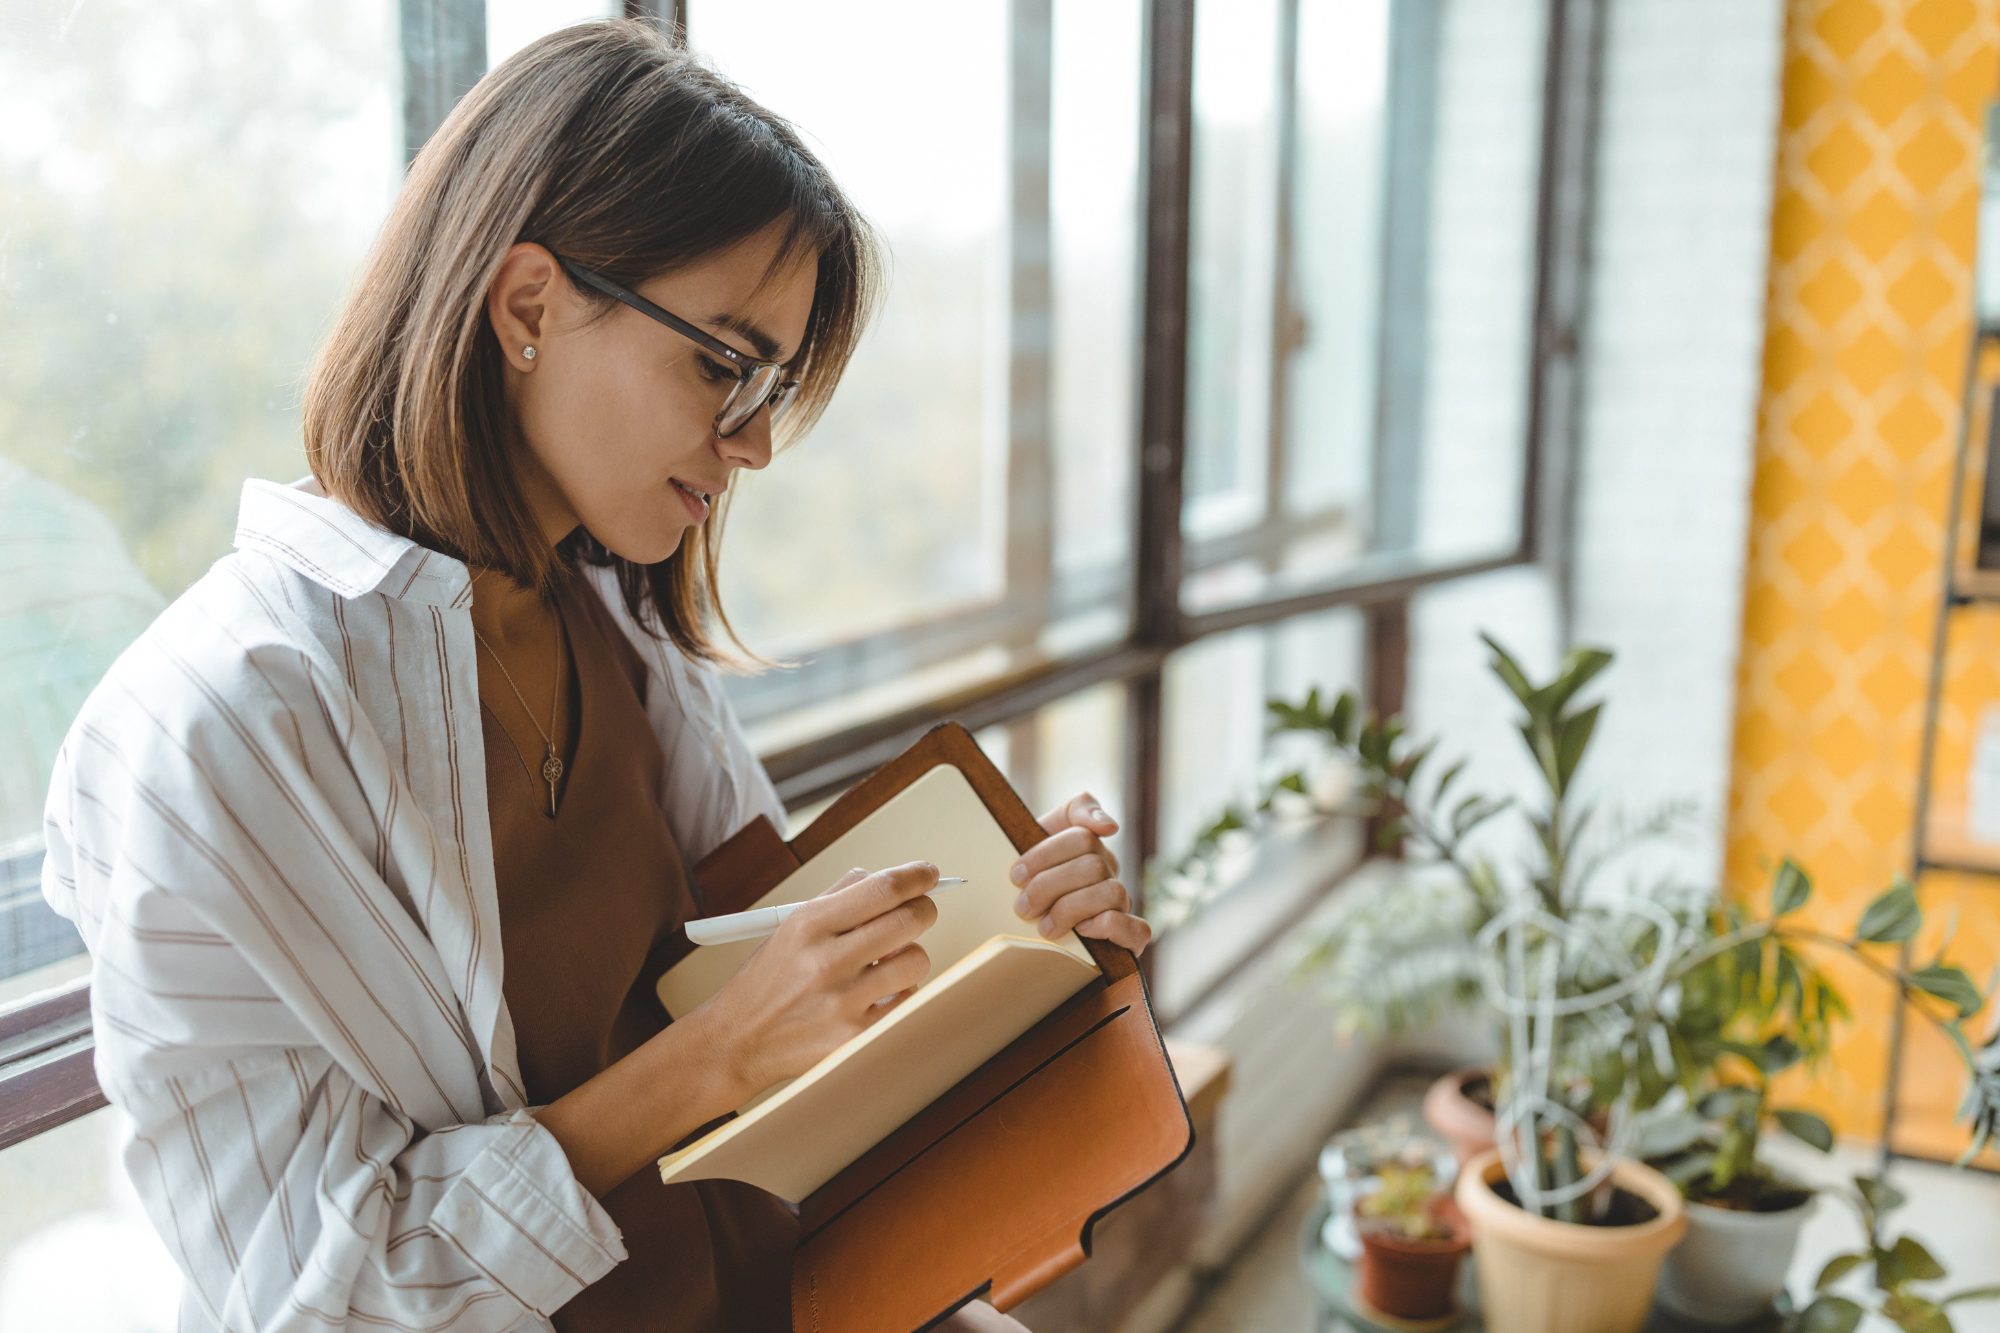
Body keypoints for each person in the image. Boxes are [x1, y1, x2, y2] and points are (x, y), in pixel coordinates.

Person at [40, 21, 1149, 1333]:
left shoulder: (617, 635)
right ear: (528, 306)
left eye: (773, 388)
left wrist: (1013, 939)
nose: (753, 448)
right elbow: (316, 1306)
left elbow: (794, 1043)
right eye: (723, 365)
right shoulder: (214, 729)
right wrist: (712, 1061)